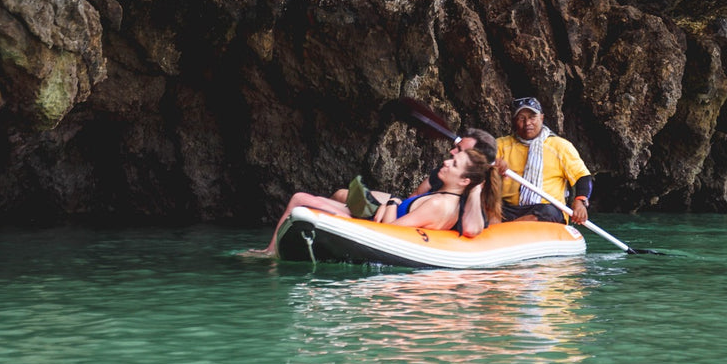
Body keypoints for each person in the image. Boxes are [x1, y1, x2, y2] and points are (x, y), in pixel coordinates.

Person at [251, 143, 500, 256]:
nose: (446, 161)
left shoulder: (439, 204)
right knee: (326, 196)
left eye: (454, 164)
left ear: (465, 181)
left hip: (371, 226)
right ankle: (272, 250)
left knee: (299, 199)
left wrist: (391, 203)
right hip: (375, 218)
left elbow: (388, 232)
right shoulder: (446, 199)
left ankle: (269, 253)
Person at [334, 128, 500, 237]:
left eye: (460, 151)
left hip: (423, 218)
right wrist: (392, 206)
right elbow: (416, 195)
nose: (451, 152)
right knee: (340, 194)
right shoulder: (445, 171)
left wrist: (475, 189)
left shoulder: (473, 188)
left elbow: (472, 228)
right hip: (410, 209)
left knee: (342, 202)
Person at [497, 96, 592, 224]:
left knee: (547, 211)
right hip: (510, 208)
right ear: (514, 121)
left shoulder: (560, 146)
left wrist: (580, 201)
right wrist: (493, 164)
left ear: (541, 117)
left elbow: (583, 177)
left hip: (544, 209)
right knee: (489, 207)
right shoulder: (502, 145)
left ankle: (506, 229)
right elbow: (479, 163)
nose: (527, 123)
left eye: (532, 117)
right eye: (521, 118)